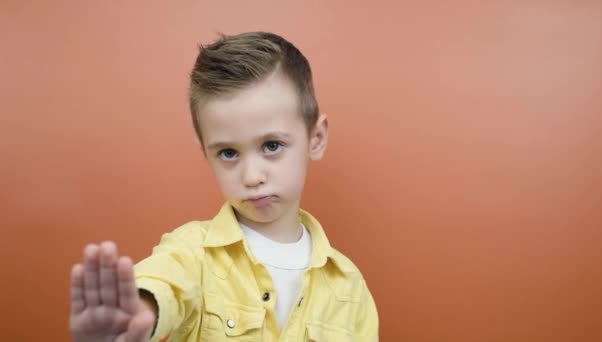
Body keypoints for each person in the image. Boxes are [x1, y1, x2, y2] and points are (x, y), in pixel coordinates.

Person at [69, 31, 379, 342]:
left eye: (271, 146)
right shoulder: (191, 252)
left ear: (316, 138)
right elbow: (164, 284)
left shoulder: (349, 286)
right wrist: (136, 313)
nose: (251, 176)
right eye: (228, 153)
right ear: (205, 150)